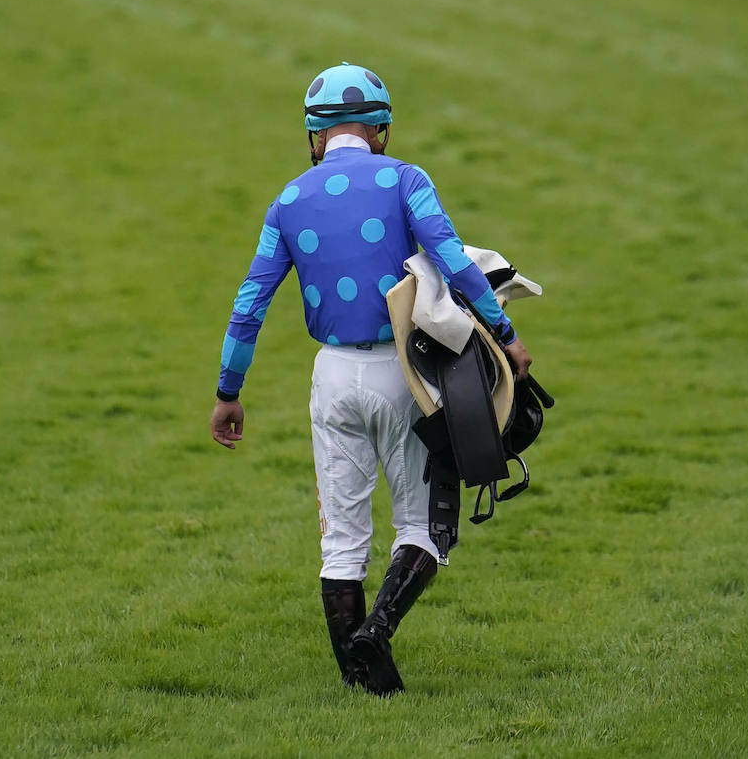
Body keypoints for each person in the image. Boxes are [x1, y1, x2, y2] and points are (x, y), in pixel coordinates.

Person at [210, 63, 532, 696]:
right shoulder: (404, 178)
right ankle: (375, 634)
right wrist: (507, 335)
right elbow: (451, 258)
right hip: (402, 372)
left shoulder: (288, 200)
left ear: (315, 137)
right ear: (380, 129)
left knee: (343, 541)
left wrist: (229, 391)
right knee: (424, 530)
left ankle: (361, 685)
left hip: (331, 377)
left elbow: (250, 302)